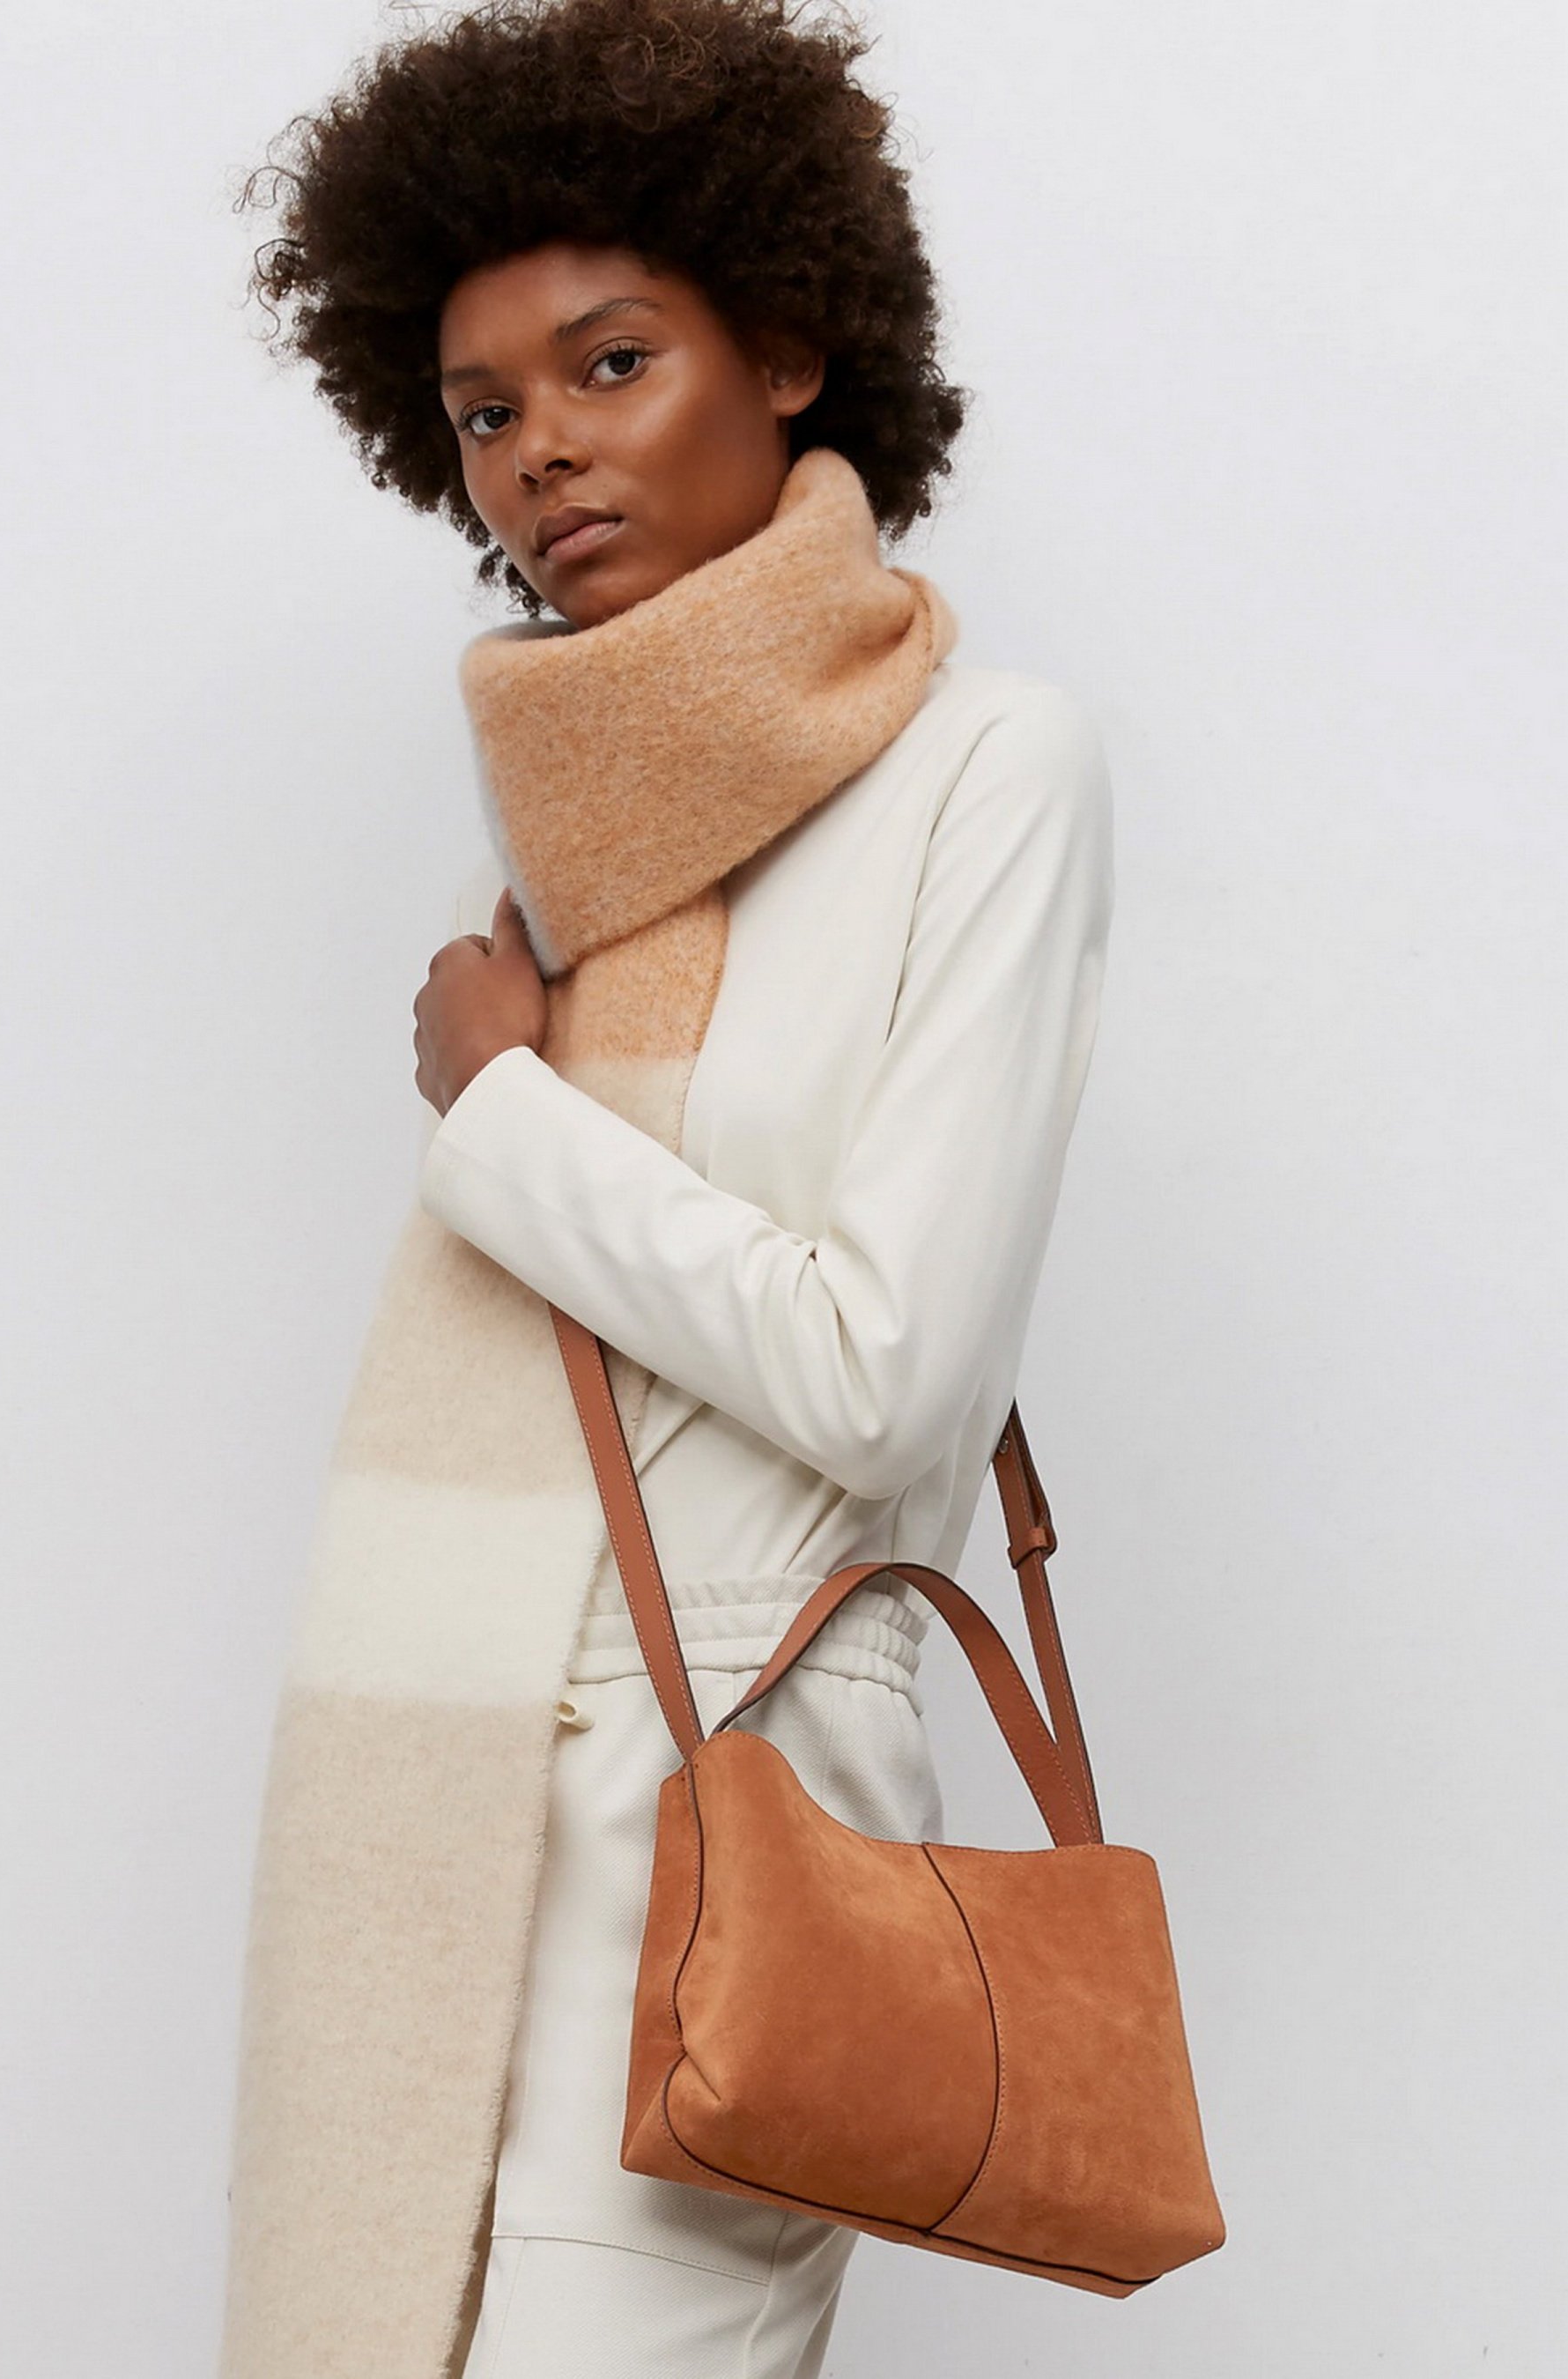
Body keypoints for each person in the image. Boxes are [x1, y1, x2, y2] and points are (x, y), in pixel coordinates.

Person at [220, 4, 1114, 2375]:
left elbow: (889, 1377)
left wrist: (505, 1121)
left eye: (609, 363)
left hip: (727, 1839)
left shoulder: (990, 772)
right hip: (432, 1808)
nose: (538, 452)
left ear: (790, 348)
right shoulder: (557, 857)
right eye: (481, 413)